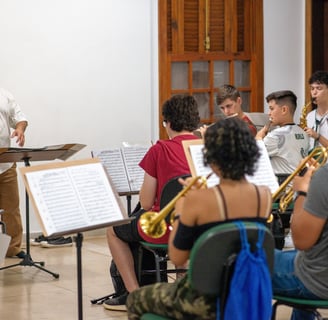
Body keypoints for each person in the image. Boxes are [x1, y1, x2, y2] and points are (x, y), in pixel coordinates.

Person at [126, 117, 272, 319]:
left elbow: (177, 257)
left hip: (203, 299)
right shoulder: (264, 196)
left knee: (135, 300)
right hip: (246, 291)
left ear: (211, 157)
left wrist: (181, 209)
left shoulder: (197, 200)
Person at [104, 95, 200, 311]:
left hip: (164, 229)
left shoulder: (160, 149)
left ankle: (134, 294)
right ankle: (184, 293)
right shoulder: (207, 148)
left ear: (169, 123)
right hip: (200, 227)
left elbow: (146, 203)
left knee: (112, 229)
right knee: (182, 228)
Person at [272, 159, 328, 320]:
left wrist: (301, 192)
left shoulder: (326, 175)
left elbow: (301, 241)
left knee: (239, 263)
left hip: (318, 280)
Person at [0, 88, 28, 258]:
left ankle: (13, 248)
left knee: (11, 208)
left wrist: (20, 129)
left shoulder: (4, 94)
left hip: (5, 162)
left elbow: (20, 117)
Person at [256, 90, 309, 175]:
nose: (269, 113)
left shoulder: (276, 136)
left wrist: (258, 138)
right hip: (300, 185)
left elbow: (250, 156)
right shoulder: (304, 133)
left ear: (284, 110)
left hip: (282, 187)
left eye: (271, 109)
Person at [303, 70, 328, 150]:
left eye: (319, 88)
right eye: (312, 88)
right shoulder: (309, 116)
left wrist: (317, 136)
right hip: (312, 161)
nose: (314, 92)